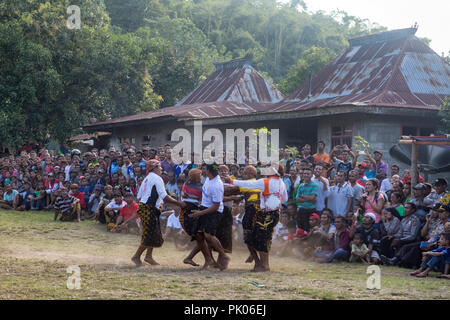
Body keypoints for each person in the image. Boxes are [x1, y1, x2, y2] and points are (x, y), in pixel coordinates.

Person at [227, 163, 288, 272]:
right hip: (275, 213)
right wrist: (272, 201)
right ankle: (264, 265)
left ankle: (264, 265)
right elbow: (284, 199)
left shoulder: (265, 181)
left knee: (261, 238)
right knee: (264, 238)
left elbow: (247, 184)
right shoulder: (282, 183)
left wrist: (230, 181)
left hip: (266, 214)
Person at [131, 159, 185, 267]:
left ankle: (148, 256)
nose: (161, 169)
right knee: (150, 233)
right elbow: (165, 197)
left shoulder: (146, 179)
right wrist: (179, 203)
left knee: (154, 233)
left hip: (147, 207)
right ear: (154, 168)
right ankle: (137, 256)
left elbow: (139, 196)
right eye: (159, 167)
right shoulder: (157, 178)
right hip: (149, 208)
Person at [188, 163, 230, 271]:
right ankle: (209, 260)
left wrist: (200, 213)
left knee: (208, 235)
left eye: (205, 169)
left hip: (214, 212)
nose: (204, 171)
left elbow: (216, 206)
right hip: (205, 208)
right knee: (198, 235)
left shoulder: (216, 185)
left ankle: (224, 256)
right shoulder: (208, 178)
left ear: (209, 171)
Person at [295, 167, 318, 231]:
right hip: (301, 210)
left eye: (308, 174)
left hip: (310, 211)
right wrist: (309, 199)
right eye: (304, 173)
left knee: (309, 230)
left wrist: (302, 196)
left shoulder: (314, 185)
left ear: (311, 175)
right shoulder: (301, 185)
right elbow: (297, 199)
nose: (306, 175)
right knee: (301, 230)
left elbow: (312, 197)